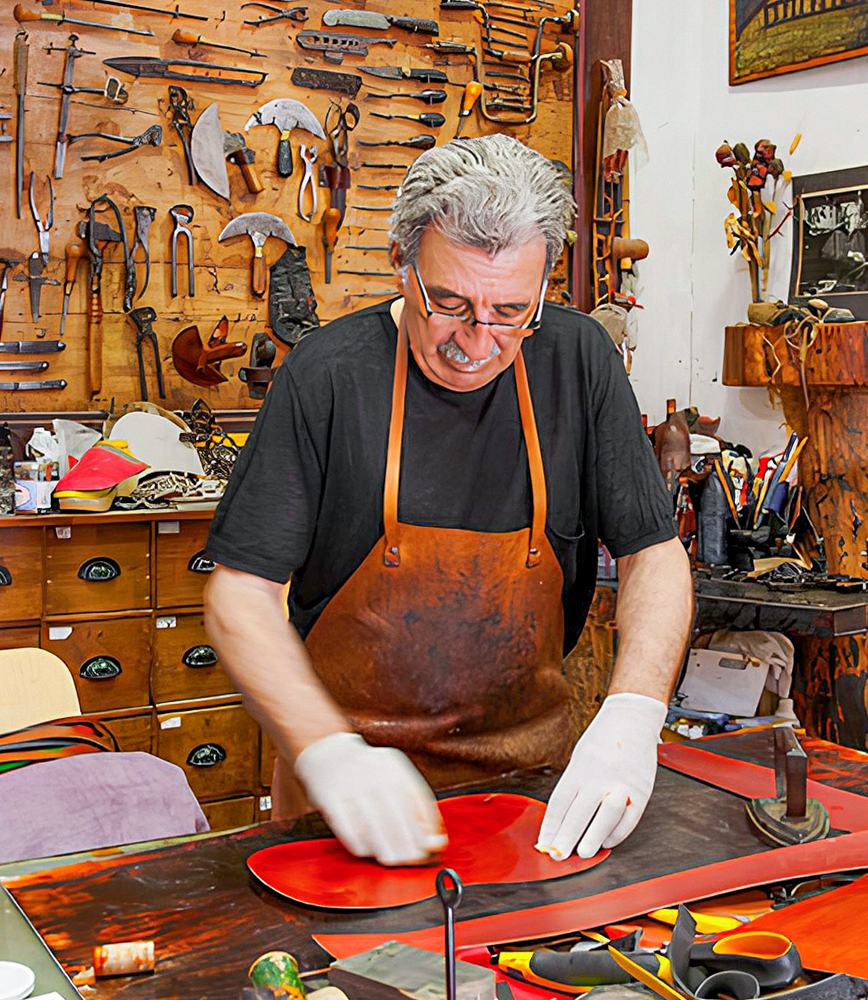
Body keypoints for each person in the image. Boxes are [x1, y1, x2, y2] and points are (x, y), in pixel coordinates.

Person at [204, 134, 693, 865]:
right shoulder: (328, 375)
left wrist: (633, 714)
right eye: (452, 303)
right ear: (401, 265)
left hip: (535, 800)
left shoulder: (579, 359)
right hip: (351, 814)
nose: (479, 341)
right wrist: (327, 752)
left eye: (512, 311)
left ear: (543, 288)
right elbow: (239, 595)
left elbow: (653, 553)